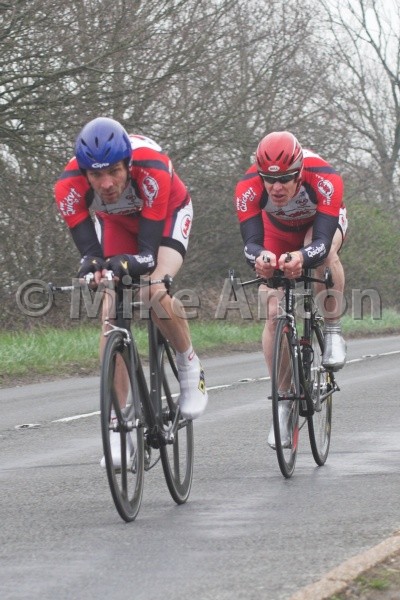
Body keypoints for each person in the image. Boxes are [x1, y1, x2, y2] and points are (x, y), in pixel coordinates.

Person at [54, 117, 208, 466]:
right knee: (111, 311)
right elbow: (91, 254)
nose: (106, 184)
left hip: (166, 216)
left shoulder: (152, 169)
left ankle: (189, 367)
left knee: (152, 290)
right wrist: (93, 267)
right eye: (96, 175)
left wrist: (125, 265)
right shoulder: (67, 187)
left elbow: (147, 256)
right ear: (84, 173)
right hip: (118, 223)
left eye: (114, 172)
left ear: (128, 163)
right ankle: (117, 422)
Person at [234, 131, 347, 449]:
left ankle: (333, 331)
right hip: (277, 231)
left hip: (320, 227)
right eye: (269, 180)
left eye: (285, 179)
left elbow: (321, 242)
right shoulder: (247, 187)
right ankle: (283, 403)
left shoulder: (324, 177)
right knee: (272, 309)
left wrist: (302, 258)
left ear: (299, 172)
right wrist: (261, 259)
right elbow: (251, 243)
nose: (276, 187)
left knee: (325, 255)